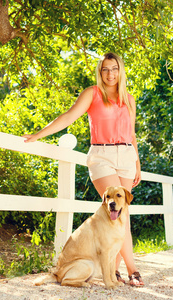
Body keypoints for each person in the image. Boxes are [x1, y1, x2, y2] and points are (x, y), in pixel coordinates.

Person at [22, 52, 144, 287]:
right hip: (102, 155)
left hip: (127, 156)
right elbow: (68, 116)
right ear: (100, 72)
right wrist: (39, 134)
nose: (110, 74)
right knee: (113, 212)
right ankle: (133, 270)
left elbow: (132, 135)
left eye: (114, 68)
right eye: (105, 69)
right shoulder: (92, 94)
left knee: (121, 216)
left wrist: (137, 163)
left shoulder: (129, 99)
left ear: (121, 71)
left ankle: (114, 271)